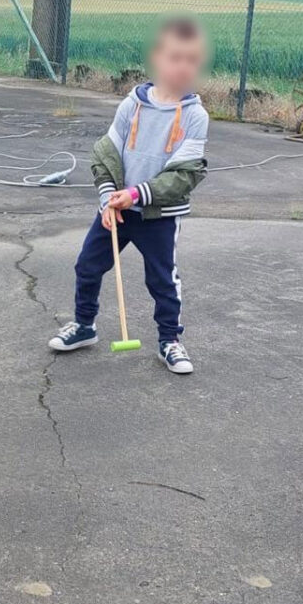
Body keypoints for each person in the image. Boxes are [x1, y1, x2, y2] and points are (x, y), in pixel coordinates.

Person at [47, 18, 210, 375]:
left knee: (162, 279)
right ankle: (84, 325)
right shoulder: (131, 106)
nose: (183, 67)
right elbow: (105, 155)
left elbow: (183, 176)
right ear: (157, 59)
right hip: (117, 212)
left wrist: (136, 193)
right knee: (87, 265)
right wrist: (108, 199)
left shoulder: (196, 117)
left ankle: (170, 340)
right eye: (175, 57)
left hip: (159, 216)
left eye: (192, 60)